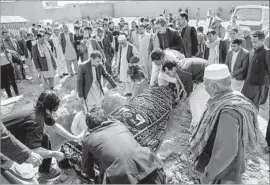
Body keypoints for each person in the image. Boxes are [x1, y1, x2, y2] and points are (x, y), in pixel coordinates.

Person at [189, 64, 259, 184]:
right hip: (224, 167)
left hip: (225, 171)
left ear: (214, 86)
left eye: (205, 84)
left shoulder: (228, 112)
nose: (204, 88)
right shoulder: (233, 97)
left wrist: (207, 175)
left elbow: (227, 151)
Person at [2, 91, 83, 178]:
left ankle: (44, 170)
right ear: (48, 110)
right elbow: (33, 151)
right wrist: (55, 154)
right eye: (54, 110)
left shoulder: (39, 106)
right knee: (8, 170)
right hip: (3, 141)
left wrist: (73, 137)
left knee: (44, 137)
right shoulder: (36, 121)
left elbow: (55, 126)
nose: (54, 112)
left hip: (12, 131)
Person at [80, 108, 167, 184]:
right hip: (156, 171)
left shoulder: (87, 139)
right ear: (106, 118)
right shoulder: (119, 124)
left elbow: (86, 168)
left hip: (127, 181)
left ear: (89, 127)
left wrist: (93, 176)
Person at [241, 31, 270, 109]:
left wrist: (264, 86)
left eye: (255, 42)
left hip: (257, 86)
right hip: (247, 83)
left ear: (262, 41)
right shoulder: (252, 51)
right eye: (252, 42)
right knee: (244, 105)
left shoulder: (266, 53)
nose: (253, 44)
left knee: (253, 108)